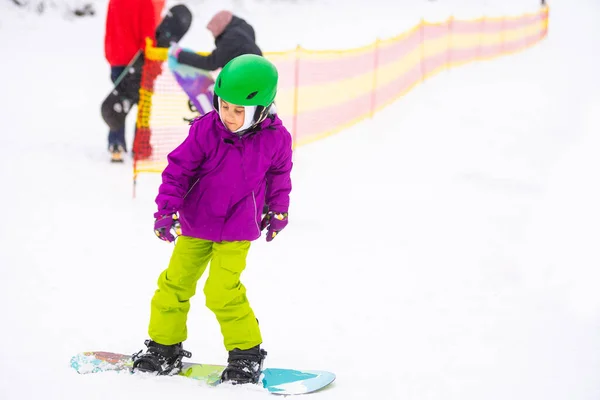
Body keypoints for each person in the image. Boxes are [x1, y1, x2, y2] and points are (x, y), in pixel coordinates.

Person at [131, 54, 293, 385]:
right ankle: (164, 348)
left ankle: (246, 353)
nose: (229, 116)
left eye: (239, 111)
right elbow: (178, 170)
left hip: (237, 229)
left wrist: (278, 210)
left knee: (221, 290)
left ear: (261, 110)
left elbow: (280, 177)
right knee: (173, 284)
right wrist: (166, 209)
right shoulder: (207, 129)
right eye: (225, 106)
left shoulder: (276, 139)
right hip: (196, 225)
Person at [104, 0, 161, 162]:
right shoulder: (145, 3)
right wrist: (152, 59)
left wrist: (110, 54)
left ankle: (116, 145)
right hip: (138, 61)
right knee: (143, 104)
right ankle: (140, 147)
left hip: (117, 58)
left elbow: (109, 29)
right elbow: (148, 35)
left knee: (119, 101)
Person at [168, 10, 262, 72]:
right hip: (263, 78)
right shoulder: (245, 30)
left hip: (245, 83)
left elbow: (210, 63)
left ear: (220, 27)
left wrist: (180, 54)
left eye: (213, 32)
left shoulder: (231, 39)